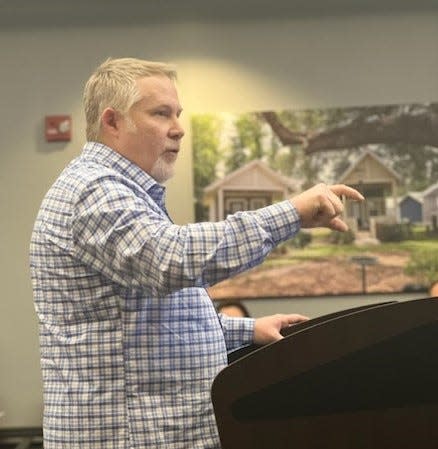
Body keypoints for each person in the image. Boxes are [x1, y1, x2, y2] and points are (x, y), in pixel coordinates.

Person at [29, 57, 365, 449]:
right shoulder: (95, 191)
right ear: (113, 121)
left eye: (178, 114)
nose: (178, 129)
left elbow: (149, 322)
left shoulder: (123, 192)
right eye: (161, 114)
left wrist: (248, 330)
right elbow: (171, 260)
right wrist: (290, 213)